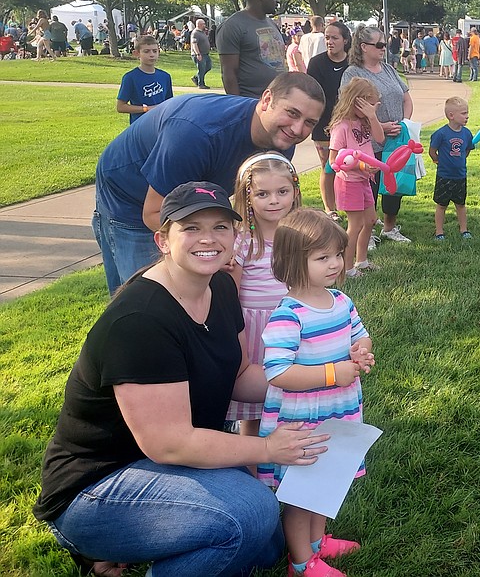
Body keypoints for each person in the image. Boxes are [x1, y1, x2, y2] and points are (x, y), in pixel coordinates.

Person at [34, 181, 331, 577]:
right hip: (96, 486)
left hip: (168, 463)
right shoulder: (139, 321)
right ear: (163, 239)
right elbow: (170, 443)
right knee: (252, 513)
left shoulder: (222, 287)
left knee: (266, 546)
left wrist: (319, 375)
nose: (208, 238)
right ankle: (99, 547)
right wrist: (267, 449)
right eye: (191, 228)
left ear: (235, 234)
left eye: (220, 227)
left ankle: (143, 545)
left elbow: (241, 376)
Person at [93, 72, 325, 295]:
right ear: (266, 100)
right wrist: (217, 249)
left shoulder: (282, 142)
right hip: (129, 193)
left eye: (309, 123)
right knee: (147, 293)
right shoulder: (196, 134)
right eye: (292, 113)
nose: (297, 129)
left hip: (191, 185)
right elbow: (153, 213)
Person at [258, 208, 374, 577]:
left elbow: (359, 335)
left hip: (337, 412)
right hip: (302, 418)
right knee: (300, 492)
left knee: (327, 480)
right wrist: (331, 373)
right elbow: (278, 372)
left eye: (338, 254)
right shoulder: (288, 314)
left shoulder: (341, 301)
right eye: (322, 257)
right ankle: (301, 563)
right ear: (293, 261)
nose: (335, 263)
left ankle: (318, 542)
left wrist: (362, 351)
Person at [226, 153, 301, 439]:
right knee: (255, 412)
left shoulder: (299, 235)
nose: (274, 200)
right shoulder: (243, 239)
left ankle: (287, 465)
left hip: (293, 326)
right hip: (255, 330)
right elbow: (231, 294)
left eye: (282, 192)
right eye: (262, 194)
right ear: (247, 198)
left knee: (291, 402)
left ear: (294, 191)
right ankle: (253, 474)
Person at [342, 25, 414, 245]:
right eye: (380, 44)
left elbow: (406, 97)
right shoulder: (353, 74)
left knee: (394, 185)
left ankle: (389, 227)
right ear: (364, 47)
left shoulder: (388, 69)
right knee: (369, 187)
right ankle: (367, 232)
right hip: (367, 143)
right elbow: (350, 108)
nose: (384, 48)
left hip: (396, 139)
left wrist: (404, 123)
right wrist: (380, 126)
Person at [328, 77, 384, 276]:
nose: (371, 109)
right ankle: (347, 268)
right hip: (348, 182)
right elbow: (333, 161)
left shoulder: (364, 123)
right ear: (356, 101)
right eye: (368, 105)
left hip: (364, 181)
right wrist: (359, 165)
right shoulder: (341, 127)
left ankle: (362, 261)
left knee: (370, 220)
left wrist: (372, 117)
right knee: (356, 224)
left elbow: (380, 139)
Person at [219, 0, 286, 97]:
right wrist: (238, 106)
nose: (278, 0)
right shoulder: (233, 26)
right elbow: (229, 73)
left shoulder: (272, 24)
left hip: (277, 101)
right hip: (250, 103)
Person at [307, 21, 352, 222]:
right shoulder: (316, 63)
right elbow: (312, 95)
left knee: (353, 167)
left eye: (334, 38)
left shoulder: (353, 63)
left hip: (351, 124)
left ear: (345, 40)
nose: (330, 41)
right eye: (327, 37)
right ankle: (330, 209)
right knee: (329, 166)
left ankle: (353, 205)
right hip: (324, 125)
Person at [429, 96, 474, 240]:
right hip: (444, 176)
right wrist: (437, 160)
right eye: (463, 113)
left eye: (467, 113)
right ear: (451, 115)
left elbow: (467, 149)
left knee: (460, 204)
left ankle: (464, 229)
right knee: (442, 205)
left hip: (460, 176)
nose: (467, 116)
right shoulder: (441, 133)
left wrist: (461, 159)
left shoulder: (466, 133)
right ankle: (439, 232)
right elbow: (432, 150)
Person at [116, 36, 173, 125]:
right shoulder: (130, 78)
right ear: (136, 53)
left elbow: (169, 103)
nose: (152, 54)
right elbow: (120, 107)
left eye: (155, 51)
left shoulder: (165, 76)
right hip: (141, 126)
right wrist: (146, 109)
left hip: (161, 124)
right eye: (146, 51)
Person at [189, 18, 212, 88]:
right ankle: (201, 84)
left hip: (205, 54)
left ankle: (196, 77)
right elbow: (194, 44)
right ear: (199, 25)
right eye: (203, 24)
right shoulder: (195, 33)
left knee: (208, 67)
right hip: (199, 54)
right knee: (201, 69)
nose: (205, 25)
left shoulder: (202, 32)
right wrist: (198, 54)